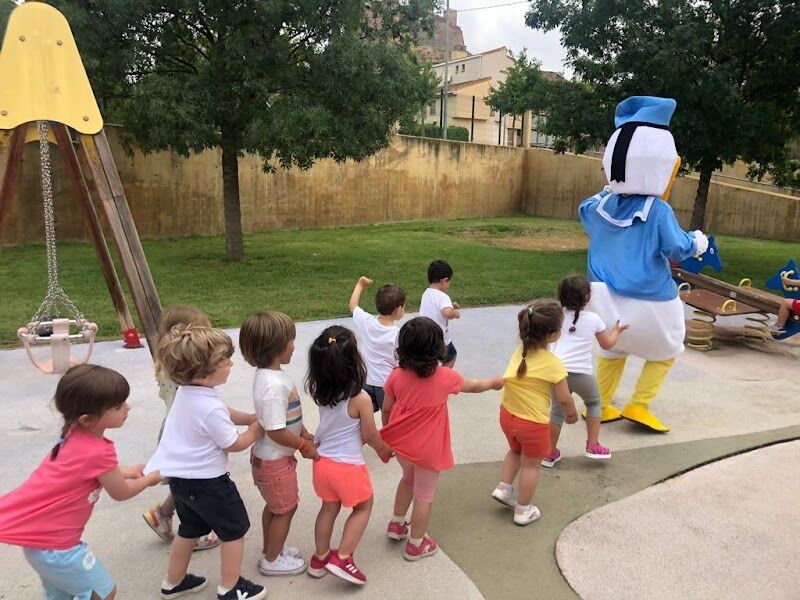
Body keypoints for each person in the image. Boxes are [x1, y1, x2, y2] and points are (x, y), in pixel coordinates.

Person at [580, 96, 709, 432]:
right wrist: (699, 241)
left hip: (604, 296)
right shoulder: (657, 210)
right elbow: (677, 247)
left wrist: (610, 186)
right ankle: (639, 404)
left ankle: (599, 405)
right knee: (667, 348)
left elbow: (585, 209)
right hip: (651, 298)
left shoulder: (598, 206)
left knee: (611, 351)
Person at [0, 364, 162, 599]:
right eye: (118, 406)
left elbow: (90, 470)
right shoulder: (98, 451)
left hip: (42, 547)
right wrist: (149, 480)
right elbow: (121, 492)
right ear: (87, 419)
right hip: (60, 548)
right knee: (103, 591)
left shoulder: (73, 431)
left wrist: (128, 471)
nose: (127, 408)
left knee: (62, 595)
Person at [145, 325, 266, 600]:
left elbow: (223, 412)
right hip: (210, 483)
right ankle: (231, 587)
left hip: (180, 481)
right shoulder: (208, 407)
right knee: (234, 531)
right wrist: (255, 431)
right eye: (225, 361)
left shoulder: (187, 393)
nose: (231, 364)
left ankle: (173, 582)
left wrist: (247, 418)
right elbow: (233, 444)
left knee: (189, 529)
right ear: (205, 371)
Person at [381, 317, 503, 559]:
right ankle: (416, 544)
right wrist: (495, 383)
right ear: (437, 348)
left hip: (402, 444)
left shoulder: (396, 375)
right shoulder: (444, 376)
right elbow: (475, 385)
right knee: (424, 494)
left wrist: (390, 432)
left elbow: (386, 407)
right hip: (428, 449)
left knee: (407, 479)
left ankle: (397, 523)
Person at [305, 326, 394, 585]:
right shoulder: (361, 399)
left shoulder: (321, 391)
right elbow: (370, 435)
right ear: (353, 362)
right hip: (348, 466)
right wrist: (385, 451)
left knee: (328, 508)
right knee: (363, 506)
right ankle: (343, 557)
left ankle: (320, 558)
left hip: (322, 464)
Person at [239, 311, 317, 577]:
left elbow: (286, 416)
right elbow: (275, 430)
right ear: (275, 347)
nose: (294, 345)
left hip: (270, 459)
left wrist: (303, 431)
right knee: (286, 508)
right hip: (274, 462)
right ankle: (272, 560)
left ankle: (270, 549)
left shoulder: (271, 376)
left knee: (275, 507)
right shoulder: (273, 385)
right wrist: (304, 446)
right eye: (290, 340)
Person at [491, 300, 579, 526]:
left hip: (508, 414)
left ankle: (504, 488)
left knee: (514, 451)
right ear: (553, 335)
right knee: (531, 465)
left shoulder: (520, 351)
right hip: (532, 423)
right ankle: (523, 510)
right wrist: (571, 414)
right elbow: (564, 397)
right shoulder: (553, 364)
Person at [142, 305, 220, 552]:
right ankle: (193, 533)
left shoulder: (168, 362)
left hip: (174, 429)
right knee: (192, 485)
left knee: (183, 483)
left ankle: (161, 514)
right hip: (189, 433)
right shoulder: (188, 373)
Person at [544, 275, 629, 467]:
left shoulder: (556, 316)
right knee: (593, 402)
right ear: (588, 298)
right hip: (582, 373)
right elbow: (607, 345)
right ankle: (592, 445)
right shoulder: (593, 319)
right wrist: (617, 331)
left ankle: (549, 452)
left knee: (557, 412)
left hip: (557, 373)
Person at [348, 276, 406, 411]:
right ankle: (389, 433)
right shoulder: (398, 334)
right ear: (398, 309)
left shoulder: (366, 322)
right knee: (389, 415)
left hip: (365, 380)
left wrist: (360, 285)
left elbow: (353, 305)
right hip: (386, 384)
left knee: (362, 413)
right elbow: (402, 358)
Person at [419, 260, 460, 367]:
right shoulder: (443, 296)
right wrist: (455, 313)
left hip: (424, 335)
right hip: (439, 339)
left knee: (430, 361)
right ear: (444, 281)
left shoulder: (426, 294)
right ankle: (443, 379)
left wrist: (450, 305)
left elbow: (435, 308)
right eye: (449, 282)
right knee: (451, 356)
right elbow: (447, 313)